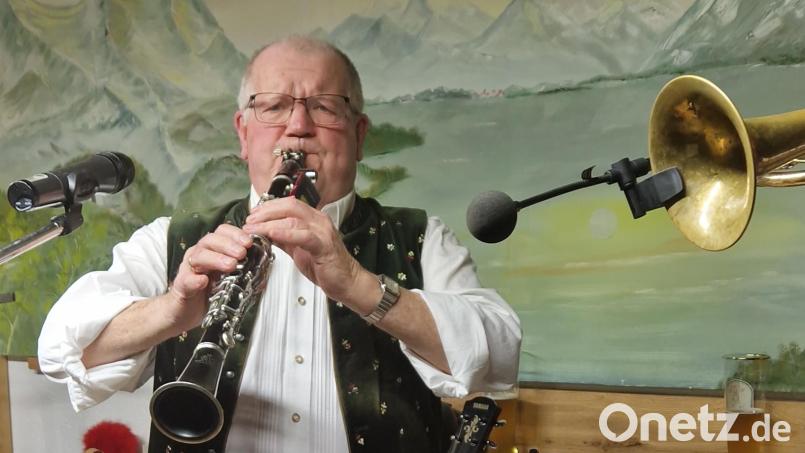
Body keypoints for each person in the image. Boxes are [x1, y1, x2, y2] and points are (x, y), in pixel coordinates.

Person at [38, 36, 521, 453]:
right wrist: (172, 309)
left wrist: (359, 285)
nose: (299, 126)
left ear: (359, 135)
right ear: (243, 134)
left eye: (324, 107)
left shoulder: (421, 236)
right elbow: (63, 349)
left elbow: (498, 357)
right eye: (272, 106)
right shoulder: (171, 239)